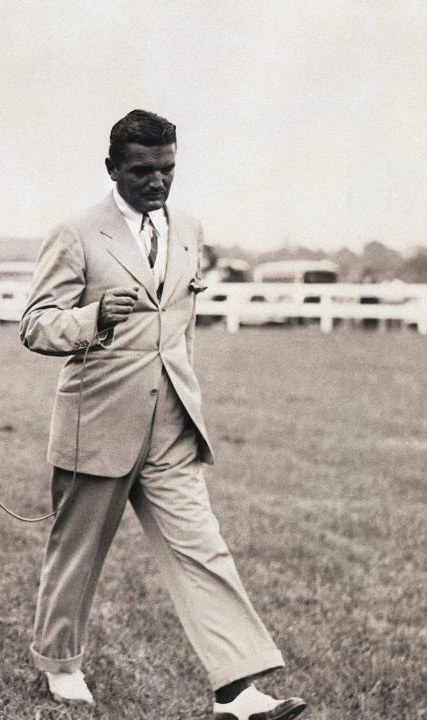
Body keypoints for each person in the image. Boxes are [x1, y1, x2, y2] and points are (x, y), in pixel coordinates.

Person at [19, 109, 307, 719]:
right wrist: (96, 315)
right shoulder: (75, 232)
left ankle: (237, 690)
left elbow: (180, 325)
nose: (158, 182)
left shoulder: (189, 228)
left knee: (203, 548)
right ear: (112, 168)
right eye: (143, 170)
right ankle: (60, 663)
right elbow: (35, 326)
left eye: (168, 169)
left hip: (173, 421)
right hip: (96, 420)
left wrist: (186, 394)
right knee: (77, 552)